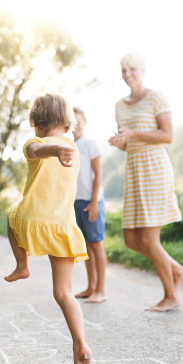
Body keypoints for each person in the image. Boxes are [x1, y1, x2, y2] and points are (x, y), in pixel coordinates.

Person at [4, 94, 92, 364]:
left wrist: (51, 148)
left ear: (34, 122)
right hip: (63, 228)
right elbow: (45, 151)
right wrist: (58, 148)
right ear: (67, 123)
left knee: (10, 215)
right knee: (64, 293)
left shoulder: (37, 143)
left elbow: (35, 151)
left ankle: (22, 264)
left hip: (33, 220)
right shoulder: (73, 149)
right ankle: (80, 343)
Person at [108, 51, 183, 312]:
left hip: (154, 168)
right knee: (131, 240)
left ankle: (171, 296)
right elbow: (127, 144)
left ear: (142, 70)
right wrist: (121, 142)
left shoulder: (156, 96)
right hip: (133, 170)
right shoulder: (119, 106)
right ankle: (177, 270)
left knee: (149, 239)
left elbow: (167, 135)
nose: (127, 74)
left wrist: (133, 132)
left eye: (131, 69)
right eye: (123, 70)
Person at [71, 107, 107, 303]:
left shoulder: (90, 145)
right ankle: (91, 286)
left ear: (84, 123)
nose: (75, 125)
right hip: (76, 202)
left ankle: (101, 290)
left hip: (91, 201)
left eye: (78, 121)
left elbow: (98, 174)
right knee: (85, 246)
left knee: (96, 244)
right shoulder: (67, 146)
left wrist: (94, 202)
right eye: (71, 122)